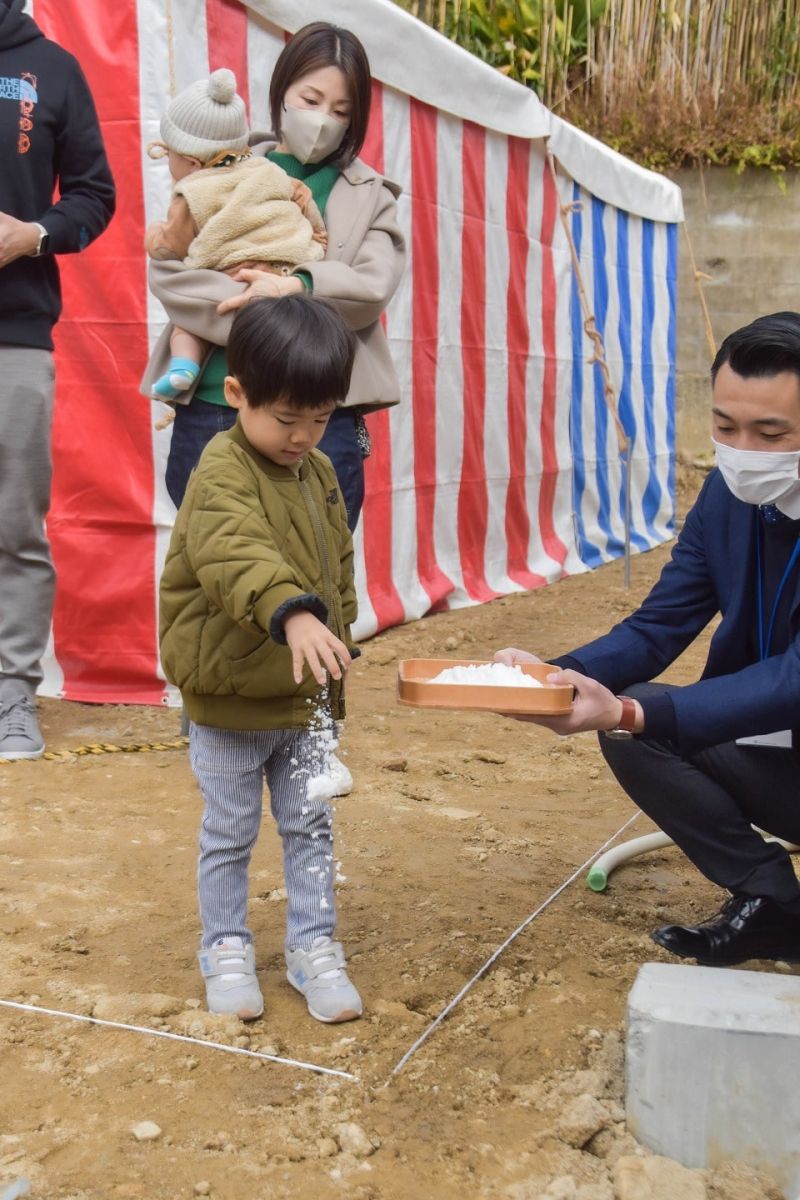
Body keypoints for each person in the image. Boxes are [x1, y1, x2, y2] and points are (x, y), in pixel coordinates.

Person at [496, 311, 800, 968]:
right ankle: (773, 903)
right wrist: (556, 674)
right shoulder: (728, 494)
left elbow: (792, 680)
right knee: (633, 726)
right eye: (725, 427)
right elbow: (658, 625)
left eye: (770, 433)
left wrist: (632, 709)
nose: (741, 449)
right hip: (778, 757)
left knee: (637, 713)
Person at [159, 294, 363, 1023]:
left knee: (310, 826)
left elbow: (338, 561)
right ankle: (224, 945)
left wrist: (339, 624)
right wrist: (297, 612)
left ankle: (314, 945)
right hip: (231, 697)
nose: (305, 435)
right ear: (237, 395)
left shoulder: (320, 473)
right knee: (231, 828)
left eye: (321, 417)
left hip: (304, 698)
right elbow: (232, 552)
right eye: (287, 418)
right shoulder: (219, 468)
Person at [142, 20, 405, 532]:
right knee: (217, 568)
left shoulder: (374, 195)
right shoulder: (220, 167)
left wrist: (294, 285)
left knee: (317, 566)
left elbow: (371, 289)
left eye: (341, 112)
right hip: (218, 400)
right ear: (280, 90)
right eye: (311, 99)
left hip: (320, 415)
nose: (323, 120)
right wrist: (274, 306)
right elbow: (173, 270)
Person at [0, 0, 115, 760]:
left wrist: (32, 233)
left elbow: (96, 194)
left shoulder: (55, 70)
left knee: (13, 525)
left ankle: (11, 694)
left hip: (16, 336)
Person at [144, 67, 326, 402]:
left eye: (169, 154)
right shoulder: (268, 169)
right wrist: (318, 235)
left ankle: (184, 366)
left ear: (191, 162)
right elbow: (301, 195)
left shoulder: (194, 194)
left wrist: (153, 236)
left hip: (236, 272)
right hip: (286, 267)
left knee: (189, 326)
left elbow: (170, 247)